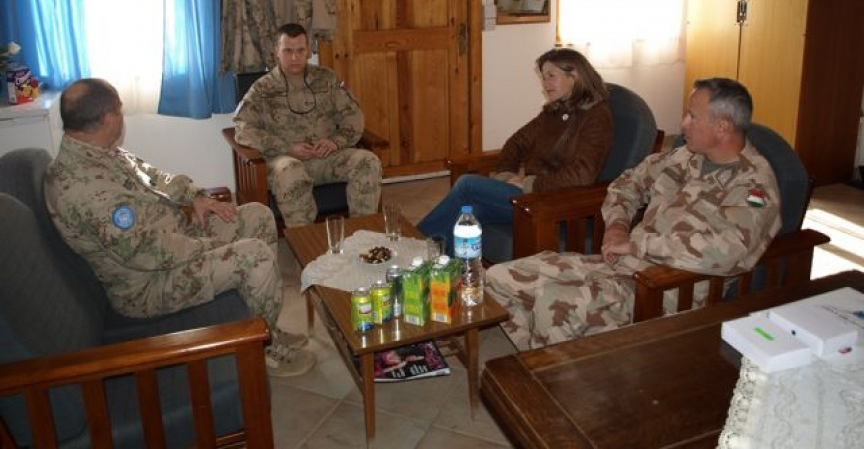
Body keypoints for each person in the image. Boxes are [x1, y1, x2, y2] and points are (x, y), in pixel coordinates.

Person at [44, 78, 314, 378]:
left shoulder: (100, 152)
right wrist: (210, 246)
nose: (121, 118)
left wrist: (195, 196)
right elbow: (145, 253)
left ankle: (264, 325)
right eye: (119, 110)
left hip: (175, 240)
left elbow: (153, 176)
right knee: (255, 257)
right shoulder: (83, 189)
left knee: (257, 216)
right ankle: (262, 348)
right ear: (107, 118)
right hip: (149, 283)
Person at [486, 77, 782, 351]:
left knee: (552, 303)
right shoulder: (686, 156)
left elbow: (726, 253)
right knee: (499, 278)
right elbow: (628, 183)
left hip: (668, 290)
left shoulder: (754, 186)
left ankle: (555, 370)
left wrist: (637, 245)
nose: (683, 124)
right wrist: (617, 225)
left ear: (722, 127)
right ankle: (556, 363)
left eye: (692, 116)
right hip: (621, 265)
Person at [418, 47, 613, 255]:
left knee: (468, 184)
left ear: (574, 75)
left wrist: (530, 184)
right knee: (470, 213)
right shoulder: (555, 111)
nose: (545, 84)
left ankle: (415, 243)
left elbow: (582, 175)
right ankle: (438, 261)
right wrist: (506, 174)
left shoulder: (597, 117)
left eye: (551, 76)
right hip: (533, 197)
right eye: (543, 77)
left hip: (557, 206)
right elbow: (516, 143)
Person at [234, 22, 382, 227]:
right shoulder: (262, 89)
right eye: (288, 51)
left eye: (300, 50)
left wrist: (335, 142)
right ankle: (304, 239)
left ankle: (363, 233)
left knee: (368, 161)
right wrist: (287, 147)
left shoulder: (326, 79)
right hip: (285, 161)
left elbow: (353, 117)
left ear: (308, 51)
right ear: (276, 51)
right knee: (291, 171)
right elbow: (243, 128)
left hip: (327, 157)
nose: (295, 57)